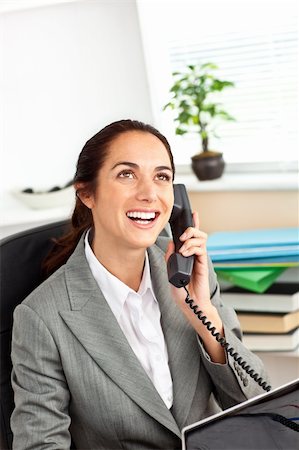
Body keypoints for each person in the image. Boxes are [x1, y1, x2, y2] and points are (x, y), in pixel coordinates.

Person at [11, 119, 270, 450]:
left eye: (161, 177)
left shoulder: (188, 271)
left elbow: (259, 408)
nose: (149, 194)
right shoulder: (42, 317)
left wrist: (202, 312)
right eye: (126, 174)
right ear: (87, 193)